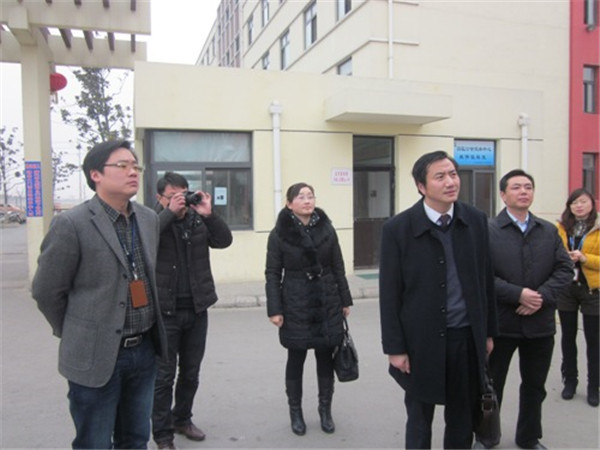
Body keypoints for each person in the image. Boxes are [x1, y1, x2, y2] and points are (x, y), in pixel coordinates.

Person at [31, 140, 167, 449]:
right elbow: (46, 291)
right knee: (94, 442)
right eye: (122, 165)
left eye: (135, 166)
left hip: (144, 349)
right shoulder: (72, 223)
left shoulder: (148, 219)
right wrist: (77, 331)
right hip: (96, 354)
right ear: (96, 175)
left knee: (135, 439)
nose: (132, 171)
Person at [379, 150, 497, 449]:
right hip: (420, 342)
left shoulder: (475, 220)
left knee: (462, 419)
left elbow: (485, 280)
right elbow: (390, 294)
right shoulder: (398, 229)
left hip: (466, 338)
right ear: (421, 186)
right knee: (419, 418)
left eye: (453, 174)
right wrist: (395, 348)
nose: (450, 182)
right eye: (440, 176)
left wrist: (487, 333)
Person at [488, 169, 573, 449]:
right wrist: (518, 295)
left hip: (540, 324)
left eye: (528, 187)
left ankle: (528, 437)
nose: (523, 191)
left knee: (535, 387)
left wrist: (540, 297)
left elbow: (565, 268)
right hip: (501, 323)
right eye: (516, 187)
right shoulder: (488, 231)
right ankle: (487, 436)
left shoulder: (548, 230)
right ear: (503, 195)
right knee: (491, 385)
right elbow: (481, 276)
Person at [151, 172, 233, 449]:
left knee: (190, 372)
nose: (181, 200)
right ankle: (162, 434)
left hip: (197, 308)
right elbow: (145, 241)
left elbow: (224, 241)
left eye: (184, 193)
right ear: (160, 197)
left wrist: (209, 215)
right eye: (173, 195)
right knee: (164, 377)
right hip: (166, 311)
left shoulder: (197, 219)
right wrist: (169, 214)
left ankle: (182, 419)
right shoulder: (152, 220)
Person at [265, 182, 353, 436]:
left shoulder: (327, 229)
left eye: (310, 196)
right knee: (296, 357)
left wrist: (345, 300)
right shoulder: (279, 234)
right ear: (289, 203)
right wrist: (275, 309)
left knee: (325, 357)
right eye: (301, 197)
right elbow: (273, 273)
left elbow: (338, 265)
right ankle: (296, 412)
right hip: (295, 301)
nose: (307, 200)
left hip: (326, 299)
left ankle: (325, 411)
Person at [556, 188, 599, 407]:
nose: (578, 206)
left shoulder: (597, 227)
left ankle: (594, 386)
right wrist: (565, 257)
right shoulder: (561, 227)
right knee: (567, 337)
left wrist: (584, 258)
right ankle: (570, 381)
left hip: (592, 290)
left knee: (594, 341)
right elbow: (552, 253)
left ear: (592, 204)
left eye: (583, 202)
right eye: (574, 203)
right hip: (567, 288)